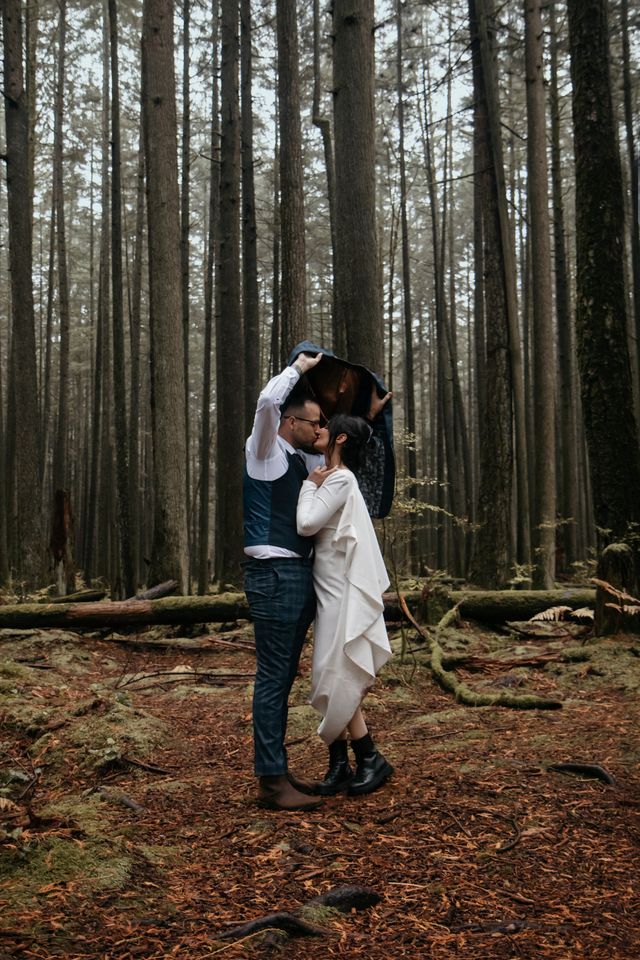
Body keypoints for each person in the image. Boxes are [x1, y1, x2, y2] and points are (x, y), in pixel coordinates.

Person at [243, 351, 326, 811]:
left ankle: (277, 768)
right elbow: (265, 404)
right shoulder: (264, 451)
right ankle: (271, 781)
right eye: (312, 423)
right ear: (290, 421)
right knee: (273, 677)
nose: (318, 431)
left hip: (295, 572)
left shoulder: (298, 458)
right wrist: (297, 370)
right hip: (274, 573)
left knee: (283, 675)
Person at [296, 414, 394, 797]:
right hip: (328, 588)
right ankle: (343, 762)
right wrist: (372, 410)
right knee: (327, 674)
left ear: (337, 437)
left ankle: (368, 758)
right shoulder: (333, 475)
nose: (315, 429)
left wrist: (308, 486)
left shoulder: (338, 479)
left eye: (322, 426)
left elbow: (306, 523)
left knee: (334, 673)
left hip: (339, 591)